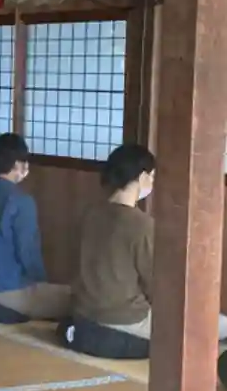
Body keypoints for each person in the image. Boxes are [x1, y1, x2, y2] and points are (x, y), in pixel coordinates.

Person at [73, 144, 227, 342]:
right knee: (216, 324)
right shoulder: (141, 224)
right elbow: (157, 285)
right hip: (126, 319)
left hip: (84, 312)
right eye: (152, 176)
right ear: (143, 177)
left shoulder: (90, 214)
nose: (153, 182)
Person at [0, 133, 71, 320]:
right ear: (18, 164)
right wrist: (41, 282)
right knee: (75, 300)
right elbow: (28, 251)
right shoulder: (21, 200)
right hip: (8, 291)